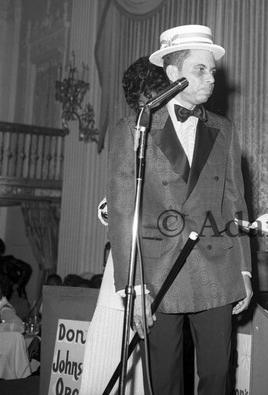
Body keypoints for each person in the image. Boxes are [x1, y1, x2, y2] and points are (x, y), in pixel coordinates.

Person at [107, 25, 252, 395]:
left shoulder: (224, 129)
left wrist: (245, 271)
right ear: (173, 73)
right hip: (157, 274)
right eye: (200, 69)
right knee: (166, 378)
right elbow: (125, 212)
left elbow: (235, 204)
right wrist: (133, 288)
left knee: (218, 375)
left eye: (213, 70)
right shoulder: (134, 129)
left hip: (217, 269)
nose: (211, 79)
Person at [80, 56, 168, 395]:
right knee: (110, 351)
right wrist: (112, 210)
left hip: (163, 260)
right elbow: (113, 201)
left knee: (150, 362)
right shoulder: (129, 128)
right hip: (128, 262)